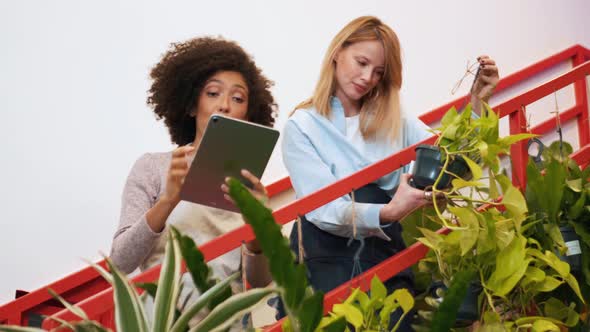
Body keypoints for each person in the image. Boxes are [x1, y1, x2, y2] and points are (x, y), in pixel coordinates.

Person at [281, 16, 499, 329]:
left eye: (379, 72)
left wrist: (478, 102)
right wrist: (388, 210)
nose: (367, 77)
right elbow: (323, 209)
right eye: (361, 62)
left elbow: (450, 160)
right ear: (337, 52)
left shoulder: (396, 118)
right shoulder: (301, 126)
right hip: (326, 258)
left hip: (386, 255)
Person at [109, 37, 275, 317]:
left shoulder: (249, 184)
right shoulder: (152, 167)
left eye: (238, 98)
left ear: (248, 114)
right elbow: (120, 262)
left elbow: (260, 281)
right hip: (161, 318)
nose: (225, 105)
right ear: (190, 105)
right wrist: (168, 201)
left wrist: (257, 223)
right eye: (213, 93)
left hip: (225, 321)